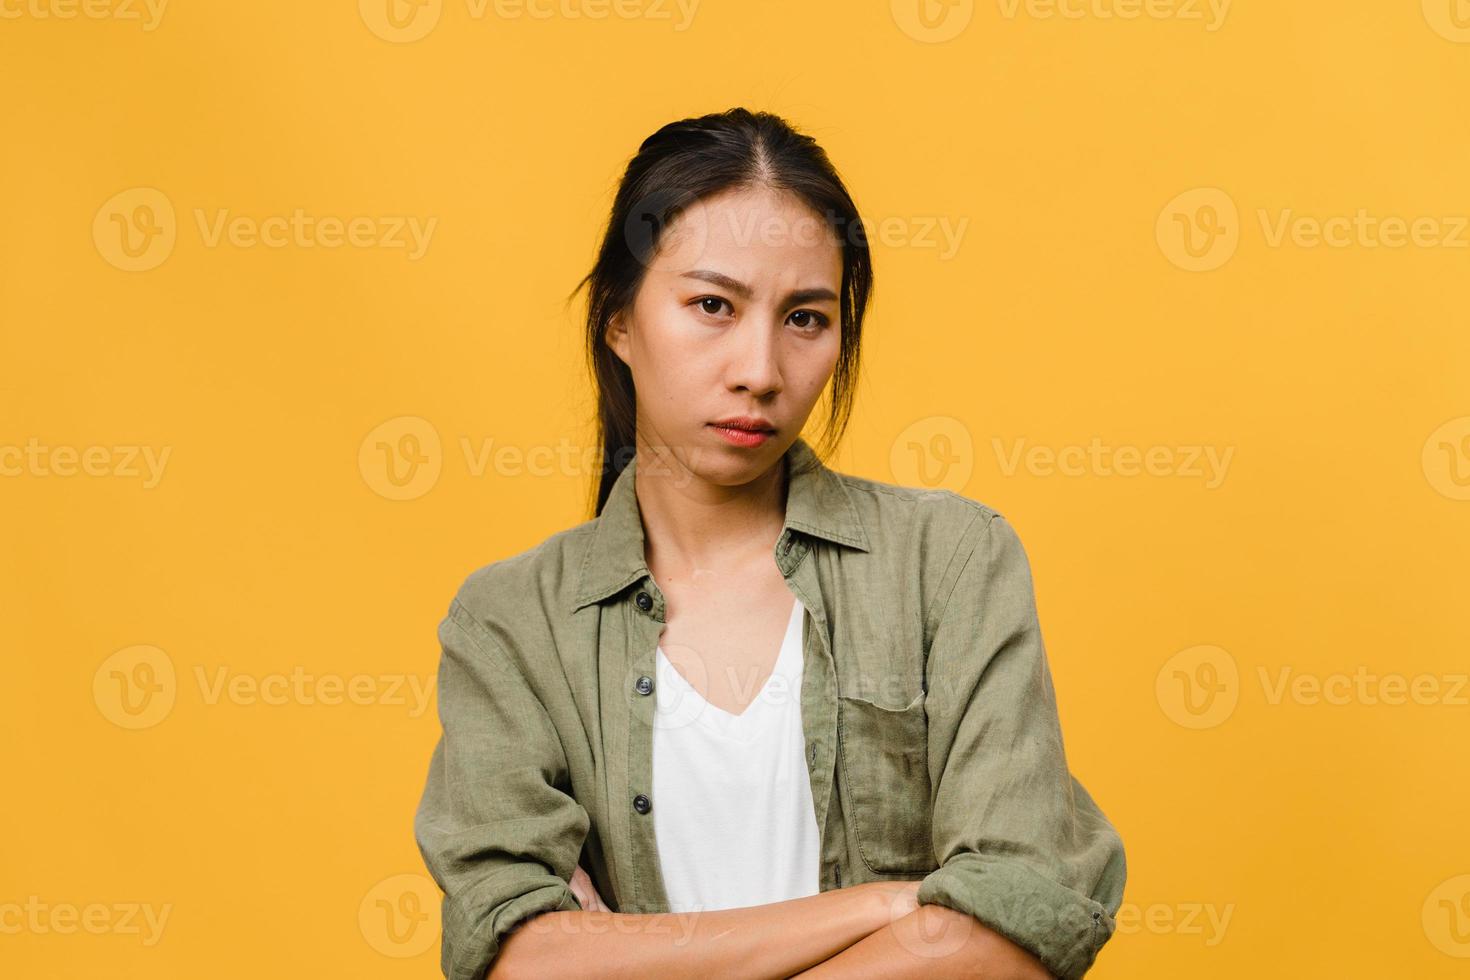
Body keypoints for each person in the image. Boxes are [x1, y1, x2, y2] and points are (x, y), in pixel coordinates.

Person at [414, 107, 1126, 980]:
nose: (760, 369)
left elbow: (1025, 911)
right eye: (712, 305)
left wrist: (624, 956)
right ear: (619, 322)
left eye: (805, 318)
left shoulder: (948, 562)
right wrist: (891, 903)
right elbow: (523, 960)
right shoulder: (512, 622)